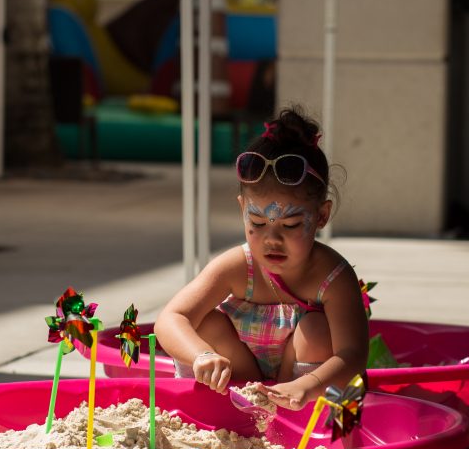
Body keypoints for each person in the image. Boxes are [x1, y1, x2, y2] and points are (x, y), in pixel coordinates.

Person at [154, 107, 368, 410]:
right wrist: (202, 355)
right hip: (234, 382)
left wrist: (308, 385)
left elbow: (353, 354)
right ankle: (224, 409)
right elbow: (171, 318)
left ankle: (292, 414)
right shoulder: (237, 265)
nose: (272, 239)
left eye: (291, 225)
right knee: (206, 324)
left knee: (317, 329)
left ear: (321, 216)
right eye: (256, 222)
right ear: (242, 208)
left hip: (298, 388)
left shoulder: (332, 277)